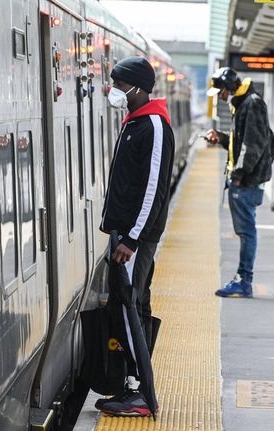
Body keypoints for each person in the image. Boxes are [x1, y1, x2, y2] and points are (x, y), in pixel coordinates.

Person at [95, 56, 175, 417]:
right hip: (126, 234)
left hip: (134, 239)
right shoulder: (136, 123)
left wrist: (131, 238)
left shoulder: (154, 126)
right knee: (132, 305)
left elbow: (154, 190)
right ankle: (133, 386)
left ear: (138, 87)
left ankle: (143, 394)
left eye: (119, 84)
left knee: (128, 306)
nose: (115, 91)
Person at [205, 67, 273, 298]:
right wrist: (222, 138)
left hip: (247, 181)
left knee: (247, 232)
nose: (220, 96)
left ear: (229, 86)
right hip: (246, 179)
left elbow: (254, 144)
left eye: (221, 91)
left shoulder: (252, 103)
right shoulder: (243, 103)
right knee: (246, 231)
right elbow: (241, 142)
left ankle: (244, 281)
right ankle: (243, 279)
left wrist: (238, 176)